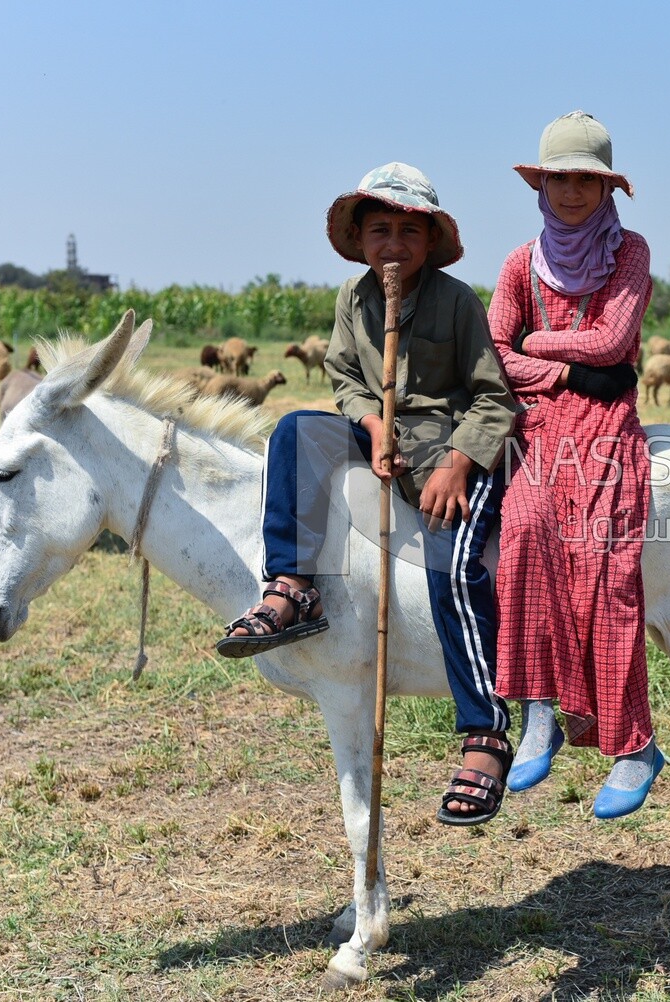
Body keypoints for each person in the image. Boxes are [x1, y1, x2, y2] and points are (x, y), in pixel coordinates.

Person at [217, 162, 519, 827]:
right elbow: (345, 378)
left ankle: (486, 731)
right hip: (385, 436)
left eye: (409, 232)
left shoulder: (456, 300)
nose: (393, 245)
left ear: (430, 241)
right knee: (296, 431)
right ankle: (293, 584)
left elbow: (496, 397)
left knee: (453, 566)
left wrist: (458, 465)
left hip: (452, 447)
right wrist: (372, 423)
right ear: (358, 238)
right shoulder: (353, 301)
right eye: (379, 230)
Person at [488, 112, 662, 819]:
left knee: (605, 561)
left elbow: (615, 336)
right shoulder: (518, 263)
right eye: (560, 177)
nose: (571, 191)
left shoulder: (631, 253)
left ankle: (630, 743)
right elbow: (494, 349)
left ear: (605, 187)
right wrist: (563, 373)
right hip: (545, 421)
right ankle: (538, 714)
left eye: (586, 180)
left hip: (607, 427)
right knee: (524, 530)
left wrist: (540, 341)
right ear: (543, 182)